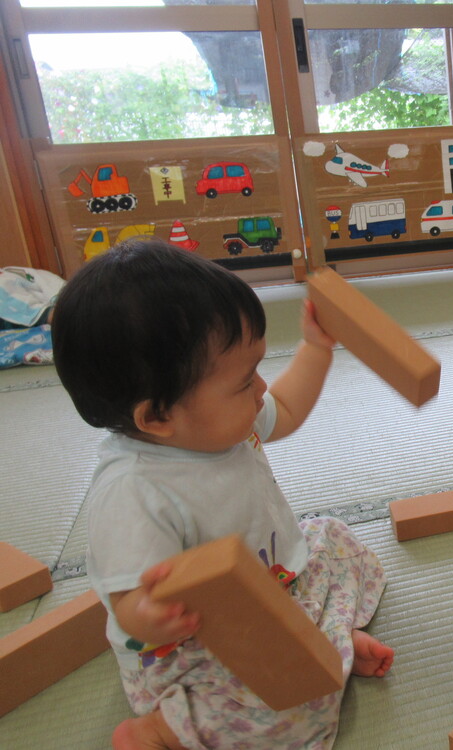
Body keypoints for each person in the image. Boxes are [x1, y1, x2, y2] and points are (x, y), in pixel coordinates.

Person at [52, 238, 393, 750]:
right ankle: (162, 729)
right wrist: (155, 615)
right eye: (242, 382)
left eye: (256, 369)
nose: (260, 390)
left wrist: (318, 348)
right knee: (291, 711)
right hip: (192, 647)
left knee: (335, 540)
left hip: (271, 587)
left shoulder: (220, 422)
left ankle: (327, 646)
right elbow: (127, 603)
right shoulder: (134, 492)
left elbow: (290, 408)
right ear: (158, 417)